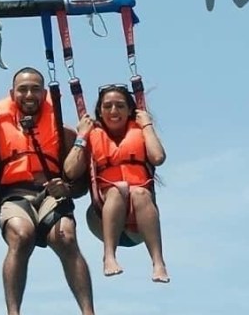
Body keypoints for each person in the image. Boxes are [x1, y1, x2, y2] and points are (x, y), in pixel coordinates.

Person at [0, 67, 100, 315]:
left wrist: (64, 188)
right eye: (23, 89)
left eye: (35, 89)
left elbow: (79, 185)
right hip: (14, 195)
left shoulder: (60, 129)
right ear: (12, 93)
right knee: (21, 235)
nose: (29, 94)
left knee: (65, 235)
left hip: (50, 194)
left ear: (44, 93)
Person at [63, 84, 170, 283]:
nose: (114, 111)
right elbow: (69, 171)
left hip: (139, 224)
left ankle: (158, 262)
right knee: (117, 190)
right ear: (100, 111)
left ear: (130, 110)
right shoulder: (92, 134)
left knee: (139, 193)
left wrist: (147, 125)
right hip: (101, 218)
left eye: (120, 106)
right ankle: (109, 256)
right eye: (108, 106)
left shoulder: (140, 131)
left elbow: (158, 157)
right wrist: (81, 136)